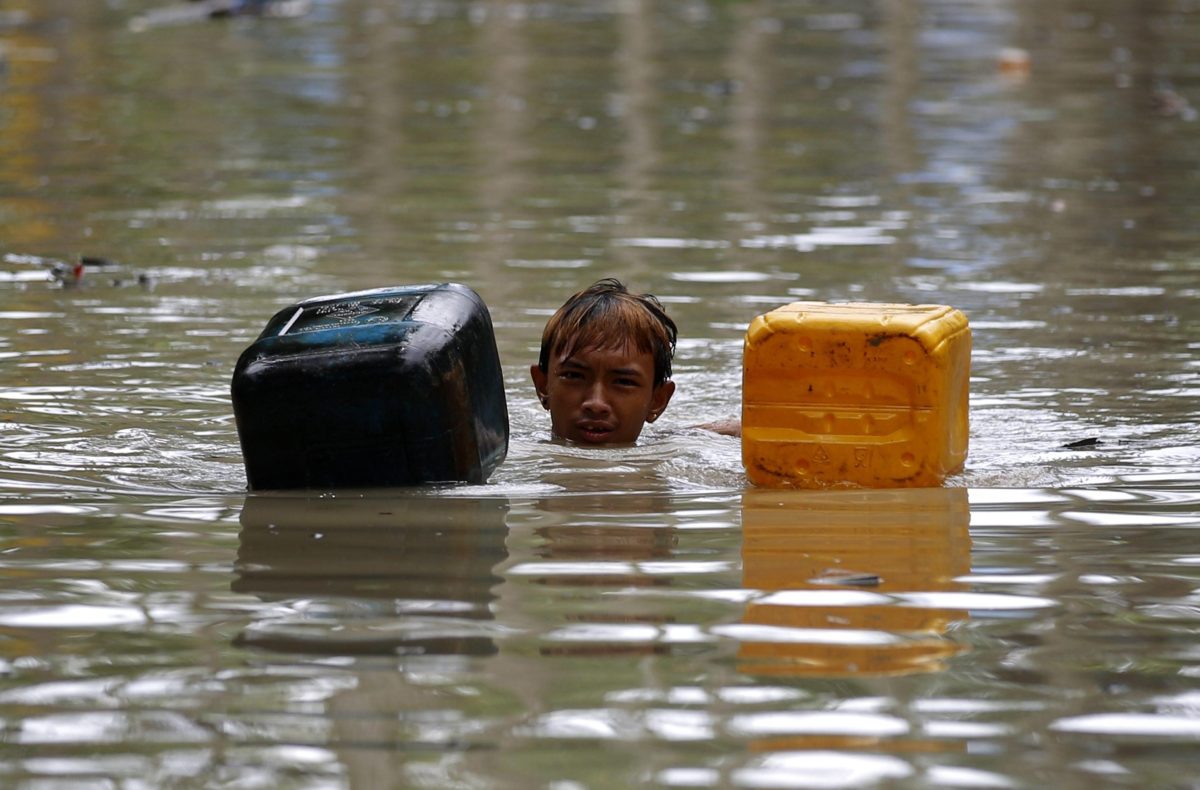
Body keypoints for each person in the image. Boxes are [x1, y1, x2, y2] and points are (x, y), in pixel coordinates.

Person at [531, 278, 740, 445]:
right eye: (574, 376)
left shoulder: (681, 459)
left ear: (658, 400)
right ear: (543, 386)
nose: (596, 404)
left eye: (623, 382)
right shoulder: (514, 455)